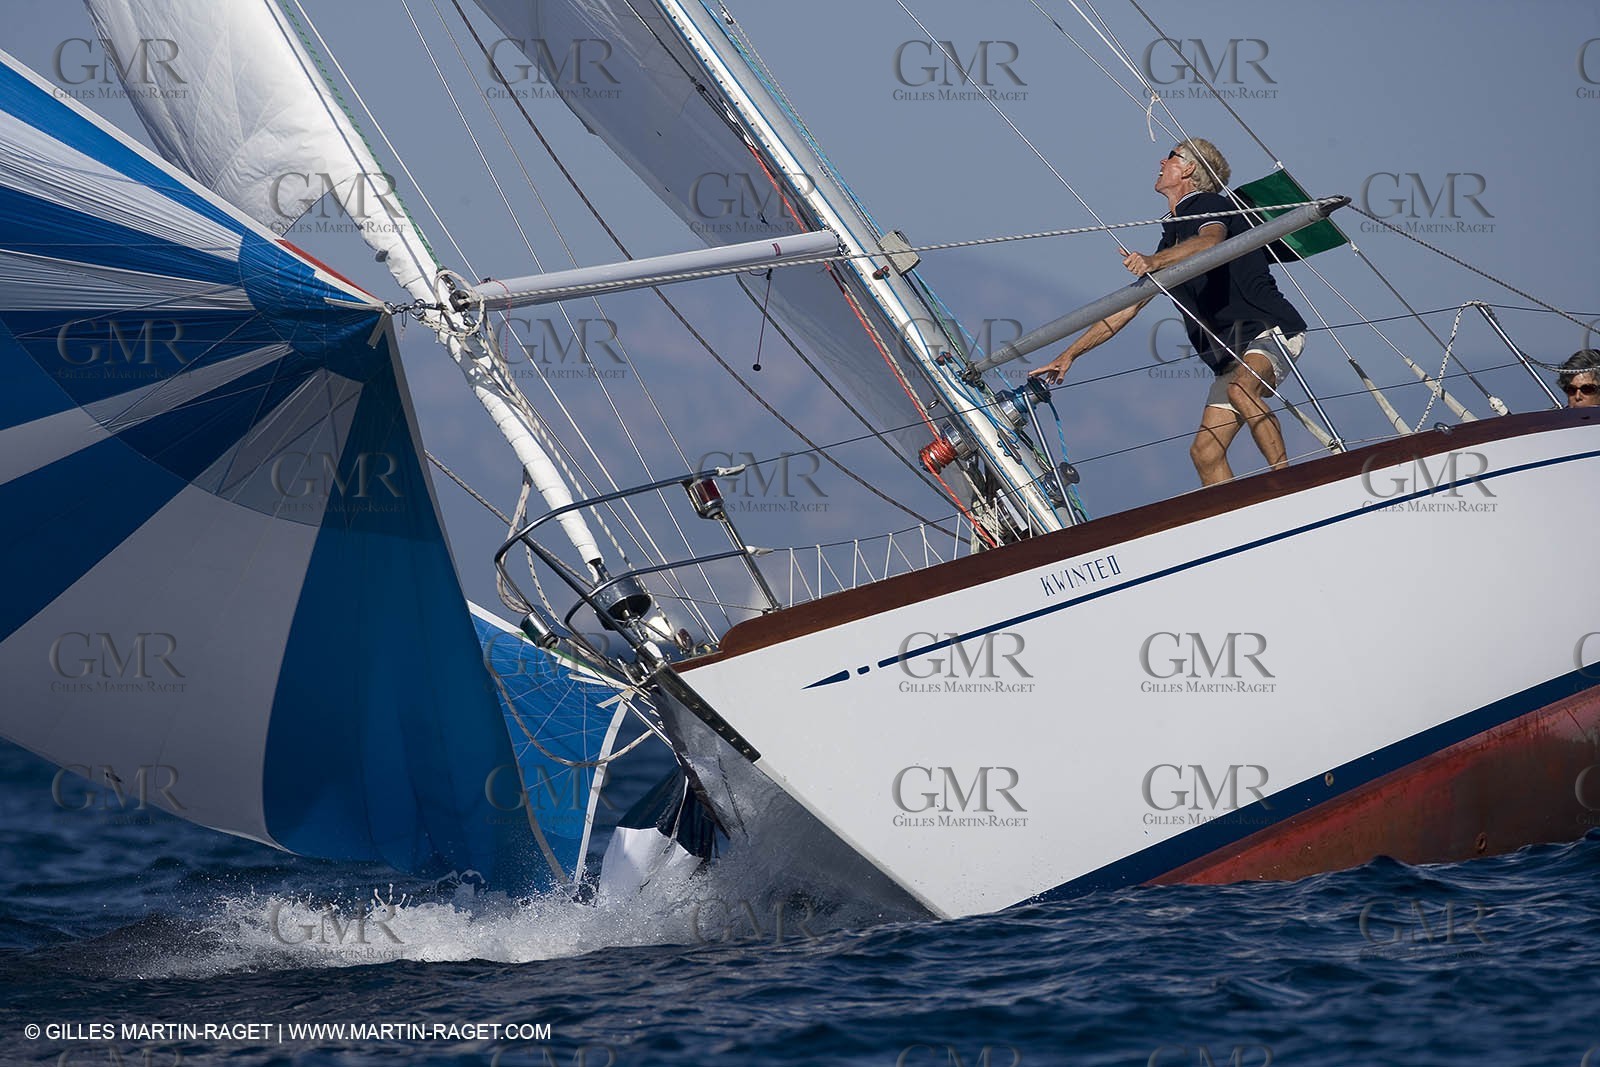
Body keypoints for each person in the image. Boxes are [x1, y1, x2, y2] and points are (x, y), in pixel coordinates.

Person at [1029, 138, 1309, 486]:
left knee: (1240, 390)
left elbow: (1211, 241)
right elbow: (1126, 309)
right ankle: (1237, 518)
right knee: (1205, 453)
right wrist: (1069, 355)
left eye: (1171, 157)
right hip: (1231, 352)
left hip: (1269, 329)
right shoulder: (1172, 240)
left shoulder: (1208, 204)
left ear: (1189, 169)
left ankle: (1289, 487)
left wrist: (1153, 262)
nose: (1161, 161)